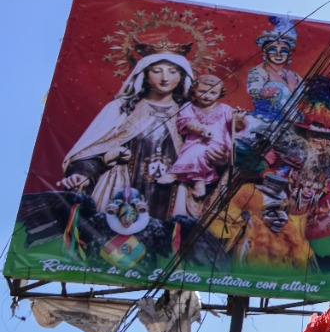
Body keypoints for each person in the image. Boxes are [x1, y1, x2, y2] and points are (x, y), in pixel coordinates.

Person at [58, 53, 200, 220]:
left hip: (174, 193)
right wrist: (82, 173)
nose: (164, 78)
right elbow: (92, 150)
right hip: (119, 186)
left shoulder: (190, 114)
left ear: (183, 77)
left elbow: (206, 153)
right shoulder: (121, 108)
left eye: (172, 72)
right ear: (145, 75)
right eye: (156, 71)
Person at [158, 74, 243, 198]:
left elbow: (237, 127)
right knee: (196, 151)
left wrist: (239, 119)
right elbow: (186, 121)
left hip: (217, 143)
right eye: (202, 91)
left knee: (198, 151)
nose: (207, 96)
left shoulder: (225, 109)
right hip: (195, 141)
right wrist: (202, 130)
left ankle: (174, 173)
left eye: (213, 93)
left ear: (220, 94)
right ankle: (199, 181)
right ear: (194, 90)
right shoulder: (189, 107)